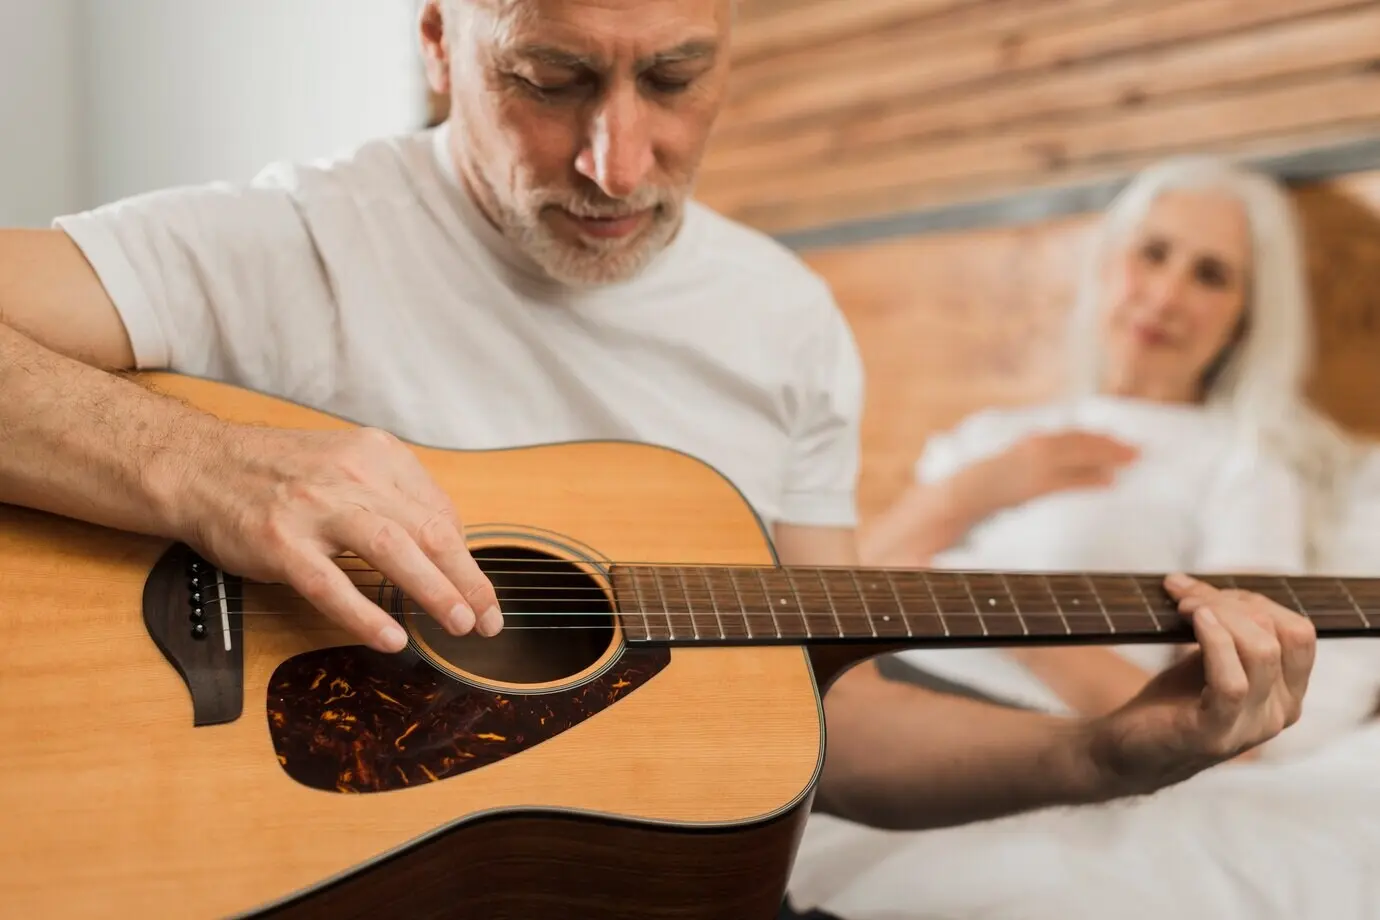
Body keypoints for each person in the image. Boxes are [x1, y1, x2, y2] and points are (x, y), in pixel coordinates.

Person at [0, 0, 1316, 897]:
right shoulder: (300, 240)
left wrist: (1110, 753)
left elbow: (824, 714)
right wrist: (195, 461)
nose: (615, 160)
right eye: (550, 76)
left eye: (676, 75)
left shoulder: (787, 319)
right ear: (444, 40)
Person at [860, 155, 1364, 758]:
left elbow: (1231, 726)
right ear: (1109, 263)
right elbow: (830, 601)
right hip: (863, 685)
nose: (1166, 295)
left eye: (1210, 275)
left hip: (994, 727)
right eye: (1153, 253)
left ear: (1243, 321)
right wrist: (964, 495)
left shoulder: (1240, 465)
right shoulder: (990, 438)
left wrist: (1004, 618)